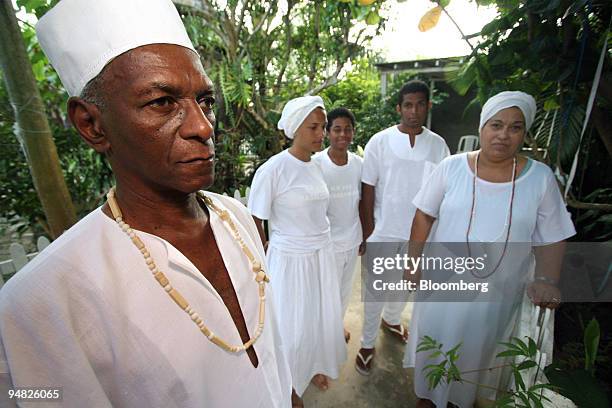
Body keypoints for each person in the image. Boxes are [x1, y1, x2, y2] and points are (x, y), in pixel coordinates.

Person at [0, 0, 291, 406]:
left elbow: (273, 359)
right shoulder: (41, 303)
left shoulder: (237, 219)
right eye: (162, 102)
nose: (203, 126)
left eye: (204, 100)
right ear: (91, 124)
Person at [404, 91, 576, 407]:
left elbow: (553, 236)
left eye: (515, 127)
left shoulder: (539, 178)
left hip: (499, 293)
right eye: (496, 125)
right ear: (482, 126)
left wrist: (548, 281)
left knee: (479, 356)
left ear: (525, 133)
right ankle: (427, 399)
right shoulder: (451, 167)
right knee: (434, 347)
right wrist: (412, 263)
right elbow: (423, 215)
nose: (503, 135)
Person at [248, 96, 347, 406]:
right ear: (295, 128)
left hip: (320, 256)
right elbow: (255, 220)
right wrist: (261, 257)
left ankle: (314, 367)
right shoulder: (273, 170)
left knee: (317, 320)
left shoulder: (318, 167)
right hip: (290, 262)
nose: (321, 134)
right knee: (292, 329)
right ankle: (290, 386)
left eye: (323, 127)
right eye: (314, 127)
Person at [356, 80, 450, 375]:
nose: (414, 111)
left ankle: (392, 320)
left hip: (420, 236)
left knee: (405, 286)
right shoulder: (380, 142)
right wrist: (369, 229)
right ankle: (367, 343)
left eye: (420, 104)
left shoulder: (438, 145)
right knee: (375, 291)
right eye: (408, 105)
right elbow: (367, 188)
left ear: (428, 106)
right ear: (399, 108)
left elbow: (443, 191)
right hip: (384, 231)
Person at [312, 107, 363, 343]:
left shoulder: (359, 165)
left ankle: (335, 329)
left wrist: (364, 236)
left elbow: (363, 202)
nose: (343, 135)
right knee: (325, 294)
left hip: (352, 239)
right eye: (337, 129)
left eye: (348, 129)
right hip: (326, 243)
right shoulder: (316, 164)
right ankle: (323, 336)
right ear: (328, 132)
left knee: (344, 291)